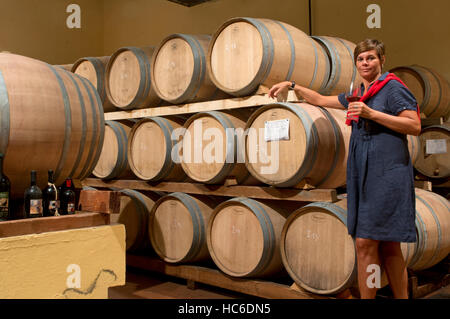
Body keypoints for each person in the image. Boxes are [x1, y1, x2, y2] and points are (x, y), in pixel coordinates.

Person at [268, 39, 421, 299]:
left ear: (382, 60)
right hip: (365, 174)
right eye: (361, 59)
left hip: (387, 174)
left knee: (366, 243)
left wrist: (372, 114)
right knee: (390, 245)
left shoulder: (392, 88)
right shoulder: (360, 91)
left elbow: (414, 125)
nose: (365, 63)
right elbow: (320, 99)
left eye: (371, 58)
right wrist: (292, 85)